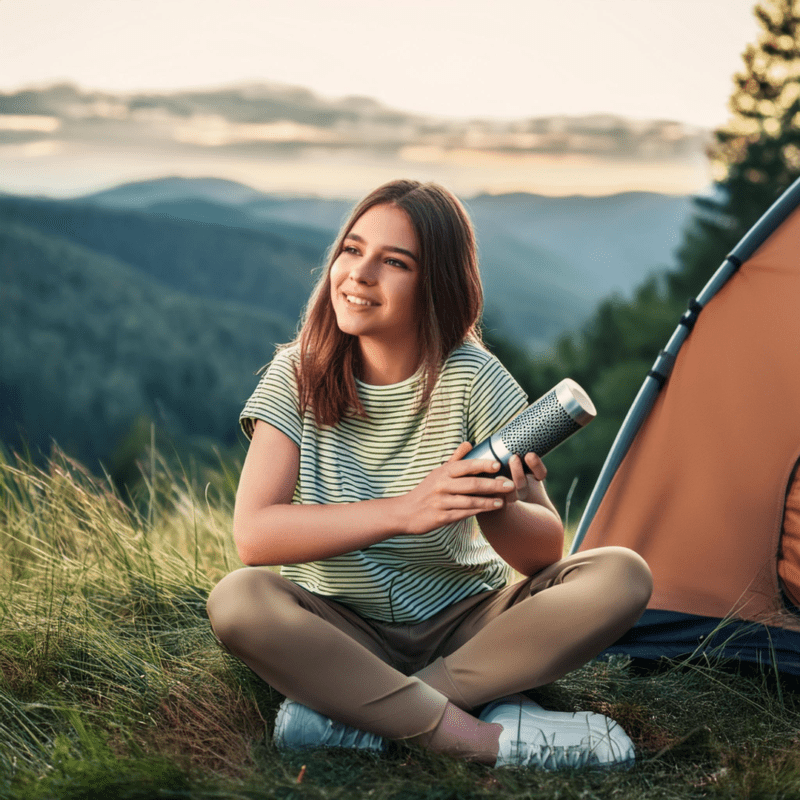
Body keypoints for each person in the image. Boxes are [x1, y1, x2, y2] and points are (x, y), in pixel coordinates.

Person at [206, 179, 652, 769]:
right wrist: (407, 511)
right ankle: (473, 736)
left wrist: (494, 501)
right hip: (342, 627)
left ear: (436, 284)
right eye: (352, 250)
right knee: (238, 599)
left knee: (622, 574)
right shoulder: (297, 374)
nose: (360, 274)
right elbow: (255, 535)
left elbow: (546, 551)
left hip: (468, 623)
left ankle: (369, 712)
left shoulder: (475, 378)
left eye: (394, 262)